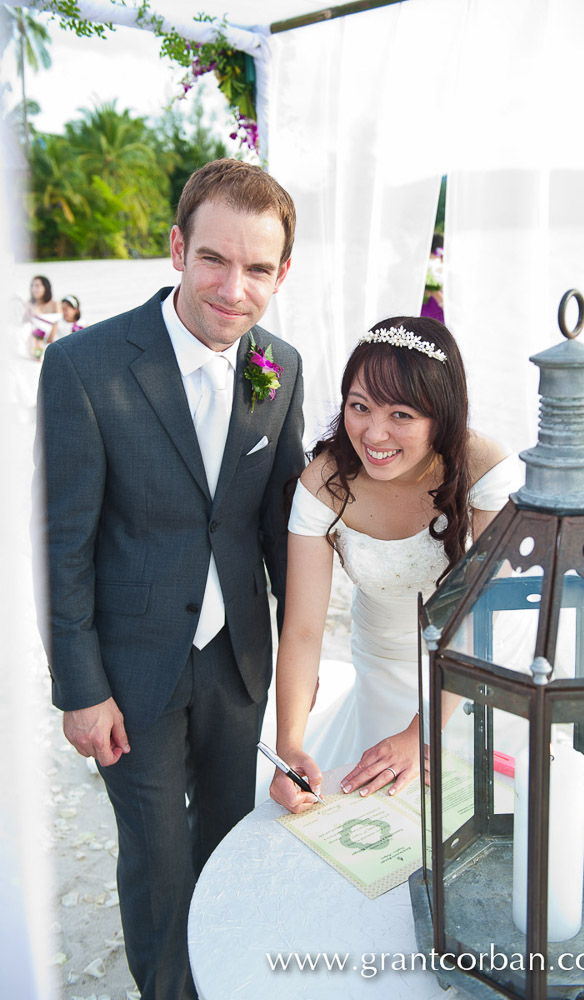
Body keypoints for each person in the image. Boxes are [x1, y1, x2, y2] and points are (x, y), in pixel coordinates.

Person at [34, 158, 305, 1000]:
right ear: (178, 248)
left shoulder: (281, 365)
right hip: (130, 674)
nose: (234, 288)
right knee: (157, 858)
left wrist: (292, 676)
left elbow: (276, 530)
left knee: (229, 842)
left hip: (237, 665)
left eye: (258, 268)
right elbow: (62, 544)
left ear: (281, 274)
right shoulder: (85, 367)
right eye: (215, 260)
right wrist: (79, 689)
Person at [270, 317, 521, 813]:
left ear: (442, 417)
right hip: (384, 661)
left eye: (401, 415)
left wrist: (420, 732)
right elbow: (301, 630)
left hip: (485, 661)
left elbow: (483, 616)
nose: (374, 433)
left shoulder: (484, 467)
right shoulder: (322, 486)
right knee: (383, 818)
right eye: (359, 407)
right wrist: (289, 747)